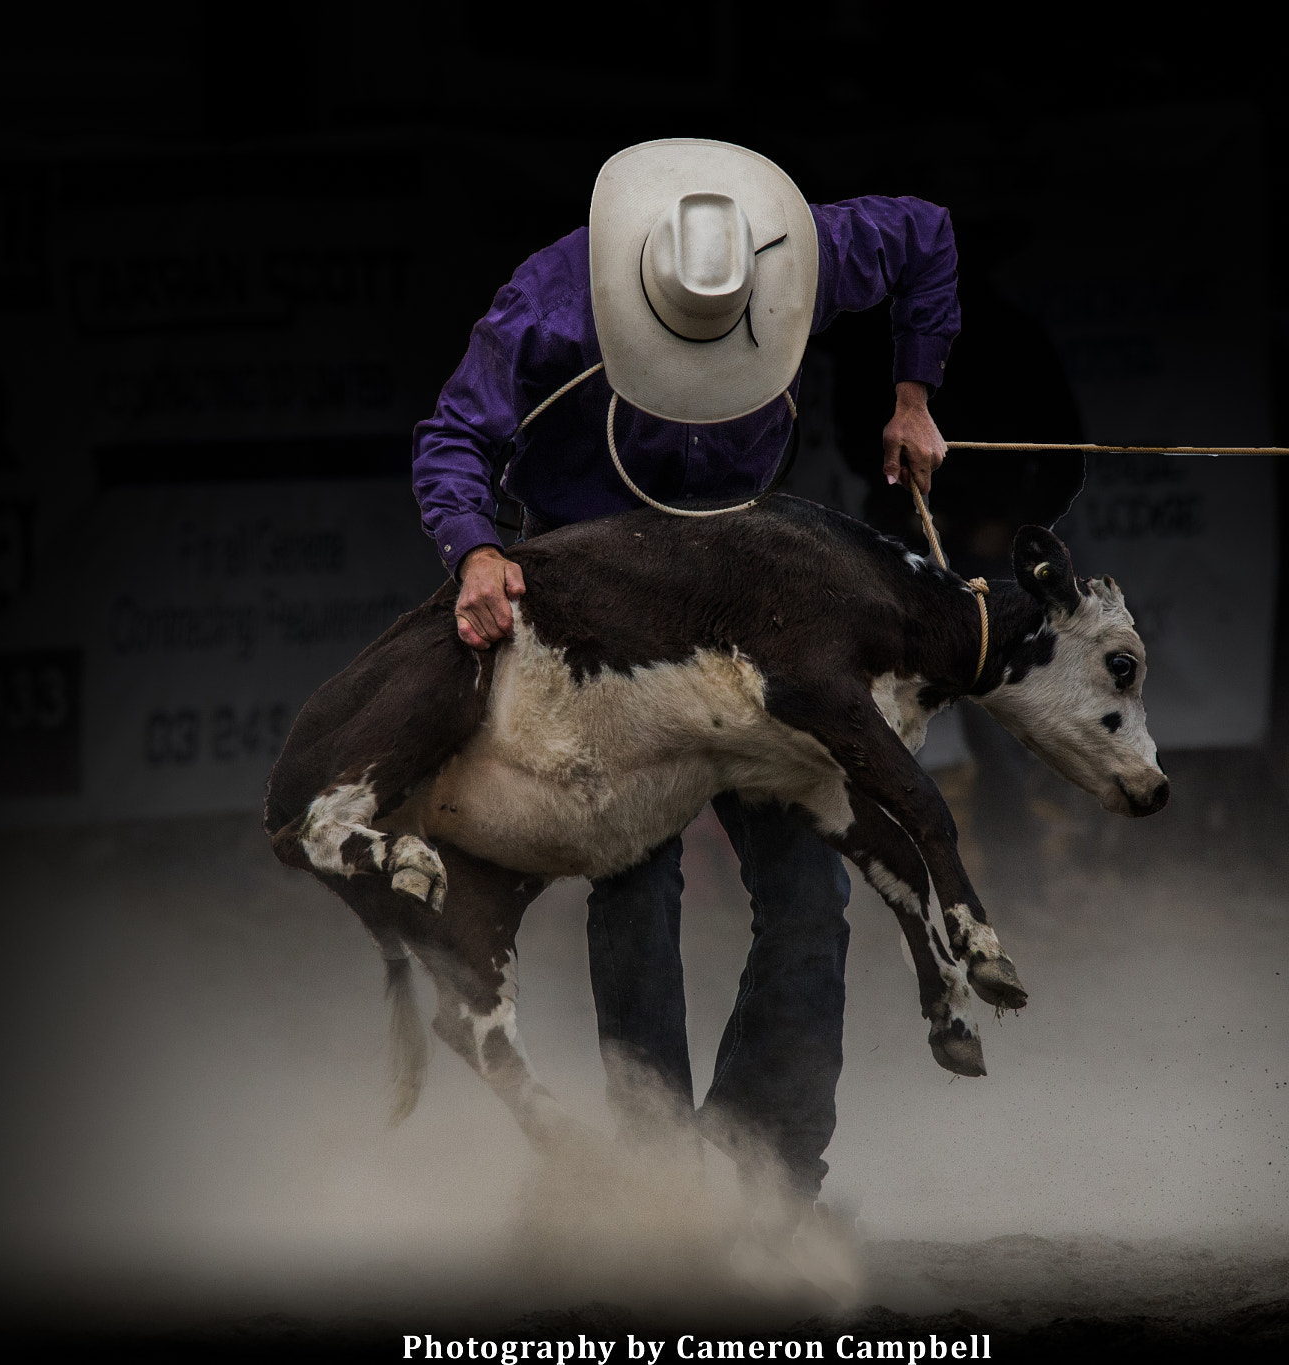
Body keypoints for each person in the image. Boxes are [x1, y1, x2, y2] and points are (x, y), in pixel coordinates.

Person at [409, 138, 960, 1214]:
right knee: (634, 891)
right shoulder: (547, 305)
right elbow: (451, 438)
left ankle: (775, 1165)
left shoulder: (799, 255)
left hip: (749, 594)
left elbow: (925, 234)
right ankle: (656, 1167)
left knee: (809, 889)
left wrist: (913, 394)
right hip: (602, 615)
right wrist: (476, 551)